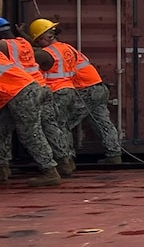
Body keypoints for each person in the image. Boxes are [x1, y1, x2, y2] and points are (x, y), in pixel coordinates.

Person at [28, 18, 122, 166]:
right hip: (98, 87)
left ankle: (67, 158)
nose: (37, 44)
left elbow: (35, 55)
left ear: (43, 39)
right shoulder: (66, 47)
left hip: (85, 89)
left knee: (61, 123)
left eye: (38, 41)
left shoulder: (50, 53)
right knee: (102, 122)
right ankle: (114, 154)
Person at [0, 18, 65, 186]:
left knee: (29, 132)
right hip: (22, 90)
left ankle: (49, 170)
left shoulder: (4, 46)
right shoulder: (20, 43)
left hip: (22, 92)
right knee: (2, 129)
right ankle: (2, 169)